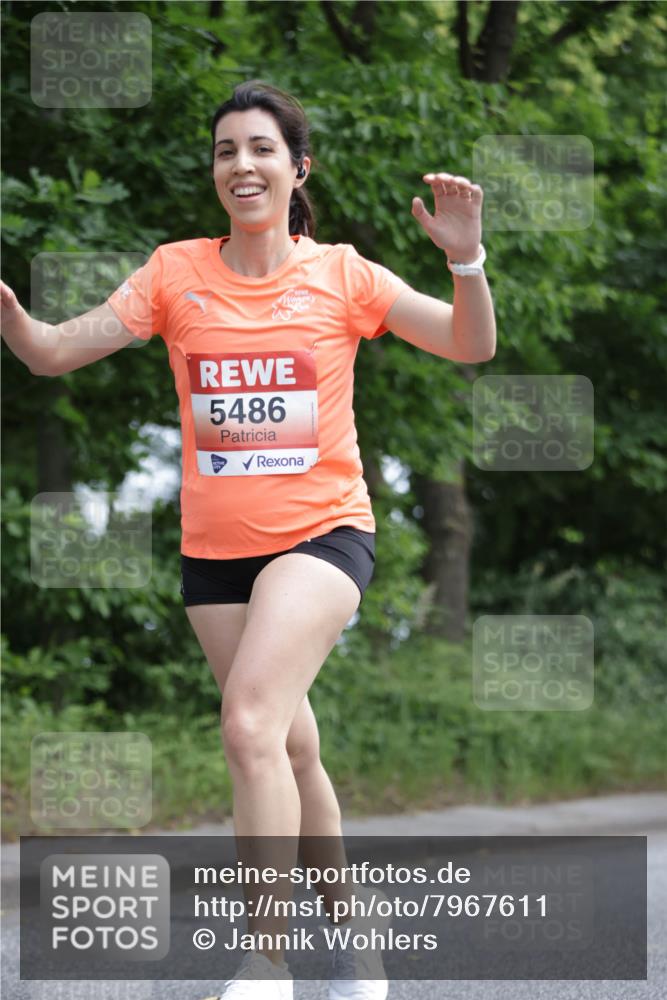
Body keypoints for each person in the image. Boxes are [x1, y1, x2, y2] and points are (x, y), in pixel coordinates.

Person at [1, 80, 495, 999]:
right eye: (226, 150)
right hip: (216, 554)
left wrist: (465, 261)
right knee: (289, 751)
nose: (242, 164)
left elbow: (469, 346)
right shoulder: (174, 273)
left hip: (323, 536)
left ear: (297, 168)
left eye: (262, 148)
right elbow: (52, 351)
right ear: (214, 171)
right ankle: (355, 946)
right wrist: (17, 323)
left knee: (248, 726)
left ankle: (266, 961)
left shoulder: (342, 274)